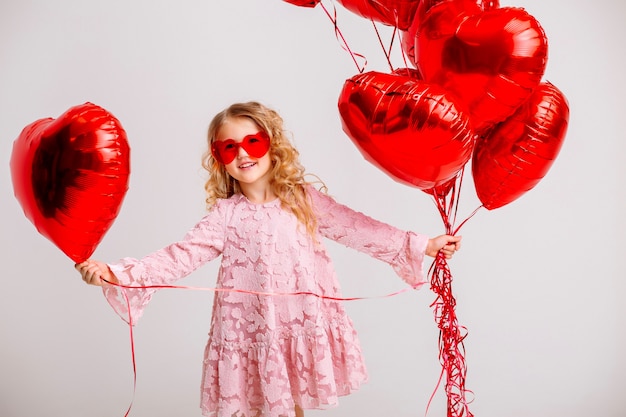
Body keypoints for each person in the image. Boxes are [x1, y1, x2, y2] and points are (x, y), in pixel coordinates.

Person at [76, 101, 461, 417]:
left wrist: (420, 244)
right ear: (219, 158)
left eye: (252, 142)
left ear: (271, 145)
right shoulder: (226, 215)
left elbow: (355, 227)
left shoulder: (302, 199)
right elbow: (182, 255)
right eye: (229, 147)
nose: (242, 153)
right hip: (250, 333)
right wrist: (118, 274)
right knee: (256, 410)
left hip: (296, 326)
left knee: (291, 408)